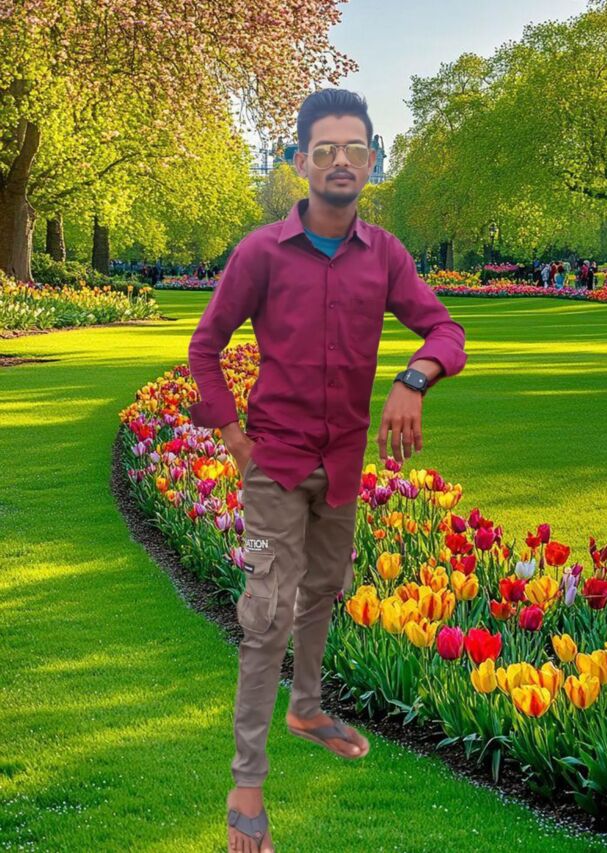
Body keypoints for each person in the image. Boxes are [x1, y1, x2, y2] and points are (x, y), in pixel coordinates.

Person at [187, 88, 468, 853]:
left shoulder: (387, 256)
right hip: (274, 464)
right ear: (298, 160)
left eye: (354, 149)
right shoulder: (260, 253)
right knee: (266, 612)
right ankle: (247, 783)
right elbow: (205, 346)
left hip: (341, 462)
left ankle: (306, 706)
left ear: (371, 160)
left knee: (323, 589)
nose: (340, 161)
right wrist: (233, 436)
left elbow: (444, 328)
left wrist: (413, 379)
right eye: (324, 150)